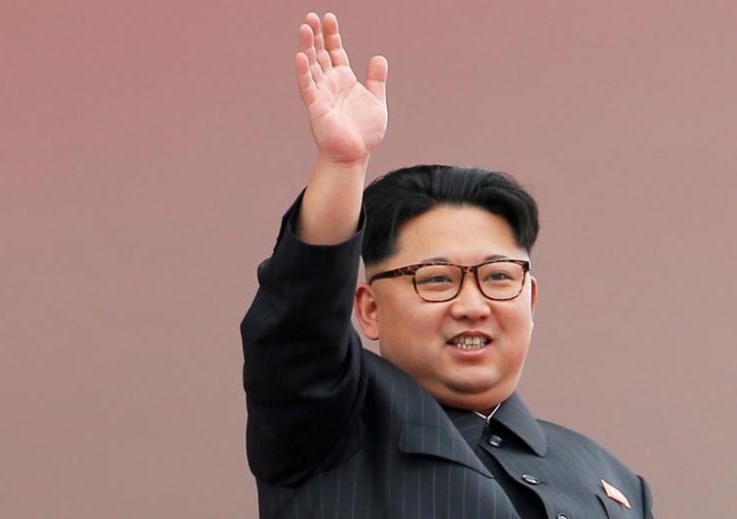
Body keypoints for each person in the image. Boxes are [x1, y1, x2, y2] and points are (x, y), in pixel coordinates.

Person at [241, 12, 653, 518]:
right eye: (437, 279)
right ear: (369, 310)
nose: (472, 305)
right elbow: (298, 325)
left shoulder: (611, 479)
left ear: (531, 299)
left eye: (499, 276)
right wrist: (342, 166)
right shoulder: (328, 430)